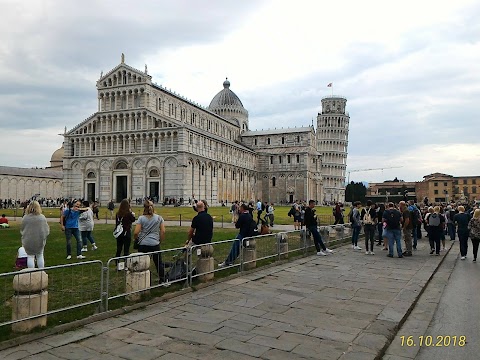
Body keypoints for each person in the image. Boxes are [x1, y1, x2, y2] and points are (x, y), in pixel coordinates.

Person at [134, 200, 166, 282]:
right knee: (159, 263)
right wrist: (160, 240)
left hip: (143, 243)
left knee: (142, 263)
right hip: (155, 243)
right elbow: (163, 231)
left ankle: (142, 281)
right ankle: (162, 280)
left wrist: (136, 238)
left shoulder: (141, 218)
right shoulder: (159, 218)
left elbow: (136, 232)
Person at [21, 200, 50, 268]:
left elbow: (22, 228)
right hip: (39, 239)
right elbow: (46, 229)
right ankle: (41, 272)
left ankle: (31, 272)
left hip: (28, 239)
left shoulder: (25, 218)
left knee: (30, 256)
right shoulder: (42, 218)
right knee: (40, 255)